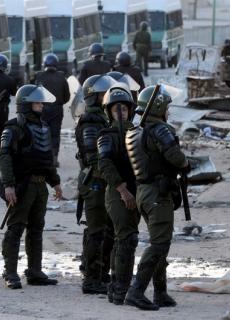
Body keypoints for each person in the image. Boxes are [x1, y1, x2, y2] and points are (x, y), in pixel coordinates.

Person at [124, 85, 190, 310]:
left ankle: (160, 293)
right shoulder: (159, 130)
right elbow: (176, 157)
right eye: (167, 107)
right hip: (157, 194)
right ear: (159, 106)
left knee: (159, 244)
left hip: (144, 192)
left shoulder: (136, 130)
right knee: (159, 245)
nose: (169, 112)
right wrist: (186, 163)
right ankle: (136, 291)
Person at [0, 84, 63, 289]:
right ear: (25, 104)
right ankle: (10, 272)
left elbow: (46, 158)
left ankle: (35, 271)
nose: (41, 105)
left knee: (37, 228)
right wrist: (9, 185)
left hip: (40, 185)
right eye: (37, 102)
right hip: (22, 186)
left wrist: (55, 182)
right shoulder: (13, 128)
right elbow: (4, 157)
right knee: (16, 228)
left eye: (41, 101)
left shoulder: (43, 126)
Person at [75, 74, 117, 294]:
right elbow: (94, 157)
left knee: (107, 230)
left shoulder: (103, 117)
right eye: (103, 94)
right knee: (97, 231)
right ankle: (91, 279)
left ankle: (101, 273)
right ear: (93, 97)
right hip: (95, 183)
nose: (107, 98)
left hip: (103, 181)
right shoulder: (91, 121)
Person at [97, 86, 140, 305]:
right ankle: (121, 287)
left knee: (125, 238)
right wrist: (122, 189)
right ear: (109, 112)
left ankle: (117, 284)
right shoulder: (106, 136)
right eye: (117, 110)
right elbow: (104, 163)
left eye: (124, 109)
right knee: (126, 238)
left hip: (138, 190)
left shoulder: (137, 132)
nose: (121, 113)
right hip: (117, 192)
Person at [34, 53, 70, 167]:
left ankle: (42, 158)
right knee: (55, 134)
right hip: (57, 109)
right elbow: (67, 96)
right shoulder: (61, 77)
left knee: (41, 132)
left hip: (42, 108)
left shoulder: (39, 76)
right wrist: (59, 103)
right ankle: (54, 158)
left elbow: (35, 93)